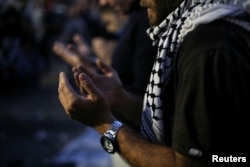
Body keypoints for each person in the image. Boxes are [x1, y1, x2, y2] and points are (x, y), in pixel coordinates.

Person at [58, 0, 250, 166]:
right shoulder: (195, 34)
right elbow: (176, 121)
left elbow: (196, 163)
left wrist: (103, 124)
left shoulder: (207, 48)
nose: (141, 2)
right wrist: (121, 99)